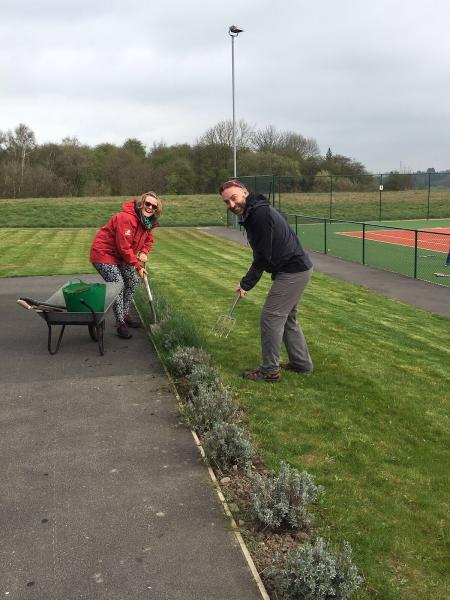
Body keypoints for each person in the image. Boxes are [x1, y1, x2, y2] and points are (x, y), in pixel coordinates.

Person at [218, 179, 313, 383]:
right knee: (287, 318)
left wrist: (246, 284)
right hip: (294, 268)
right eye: (227, 202)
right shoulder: (256, 210)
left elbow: (263, 257)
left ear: (244, 192)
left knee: (270, 317)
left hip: (293, 270)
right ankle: (301, 364)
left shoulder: (259, 214)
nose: (232, 205)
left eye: (233, 198)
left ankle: (270, 370)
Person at [90, 191, 162, 339]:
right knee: (118, 284)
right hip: (104, 254)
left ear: (156, 209)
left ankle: (125, 313)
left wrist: (144, 251)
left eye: (153, 206)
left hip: (120, 257)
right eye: (147, 204)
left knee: (132, 281)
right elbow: (124, 247)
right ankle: (120, 323)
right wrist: (138, 266)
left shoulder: (146, 223)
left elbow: (149, 239)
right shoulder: (127, 218)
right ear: (141, 203)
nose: (150, 208)